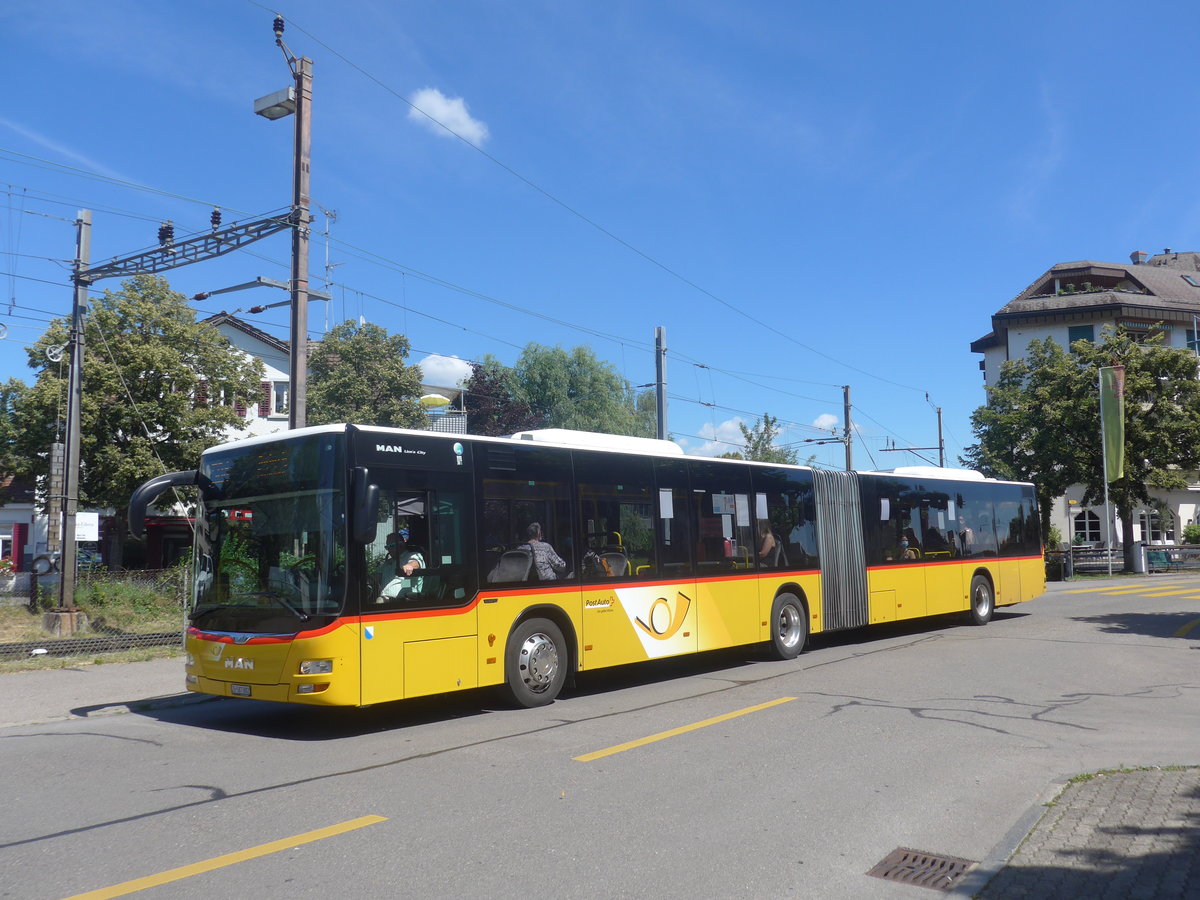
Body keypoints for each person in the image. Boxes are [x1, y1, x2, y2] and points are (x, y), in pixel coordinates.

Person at [377, 525, 425, 601]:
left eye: (391, 546)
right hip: (384, 599)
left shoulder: (412, 556)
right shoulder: (387, 563)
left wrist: (410, 566)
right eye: (387, 547)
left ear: (401, 545)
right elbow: (376, 578)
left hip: (404, 601)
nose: (388, 549)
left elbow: (416, 563)